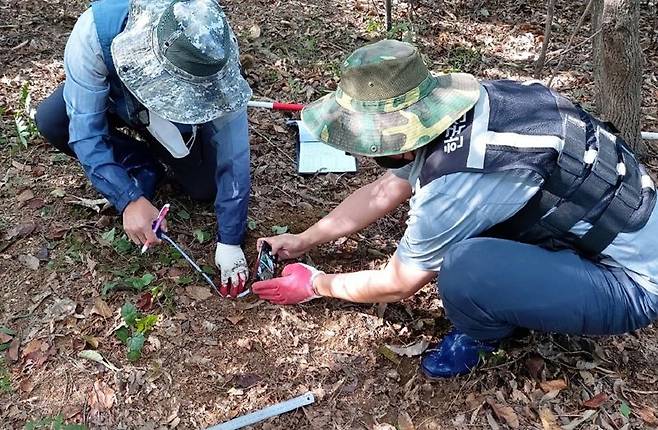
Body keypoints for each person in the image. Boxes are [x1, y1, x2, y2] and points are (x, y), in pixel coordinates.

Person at [252, 39, 658, 379]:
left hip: (632, 284)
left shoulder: (454, 187)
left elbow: (398, 283)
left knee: (465, 267)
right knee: (476, 240)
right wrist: (305, 238)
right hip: (616, 222)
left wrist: (315, 284)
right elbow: (386, 187)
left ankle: (484, 333)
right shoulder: (478, 103)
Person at [35, 0, 252, 297]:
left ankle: (170, 153)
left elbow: (234, 152)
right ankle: (139, 165)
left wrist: (230, 239)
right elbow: (86, 134)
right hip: (111, 92)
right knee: (52, 121)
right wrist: (127, 198)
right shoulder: (94, 34)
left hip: (168, 114)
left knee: (203, 186)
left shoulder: (212, 53)